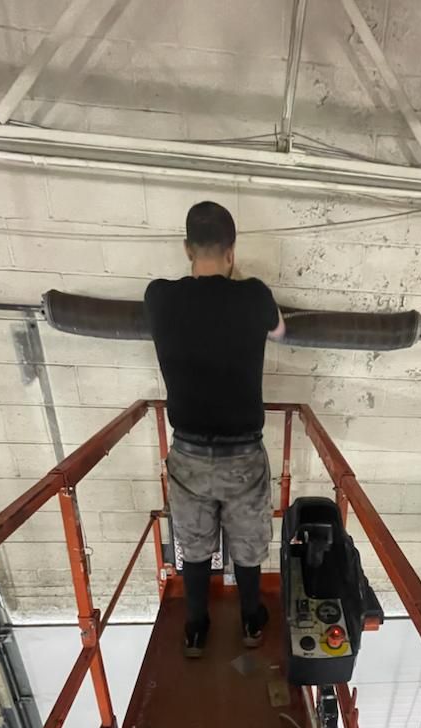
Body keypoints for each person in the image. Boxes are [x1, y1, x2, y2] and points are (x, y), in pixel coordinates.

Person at [144, 201, 286, 657]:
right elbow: (280, 332)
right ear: (232, 250)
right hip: (243, 454)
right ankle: (250, 621)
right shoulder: (255, 296)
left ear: (187, 248)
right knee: (248, 544)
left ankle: (196, 628)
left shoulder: (159, 297)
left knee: (194, 543)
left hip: (188, 453)